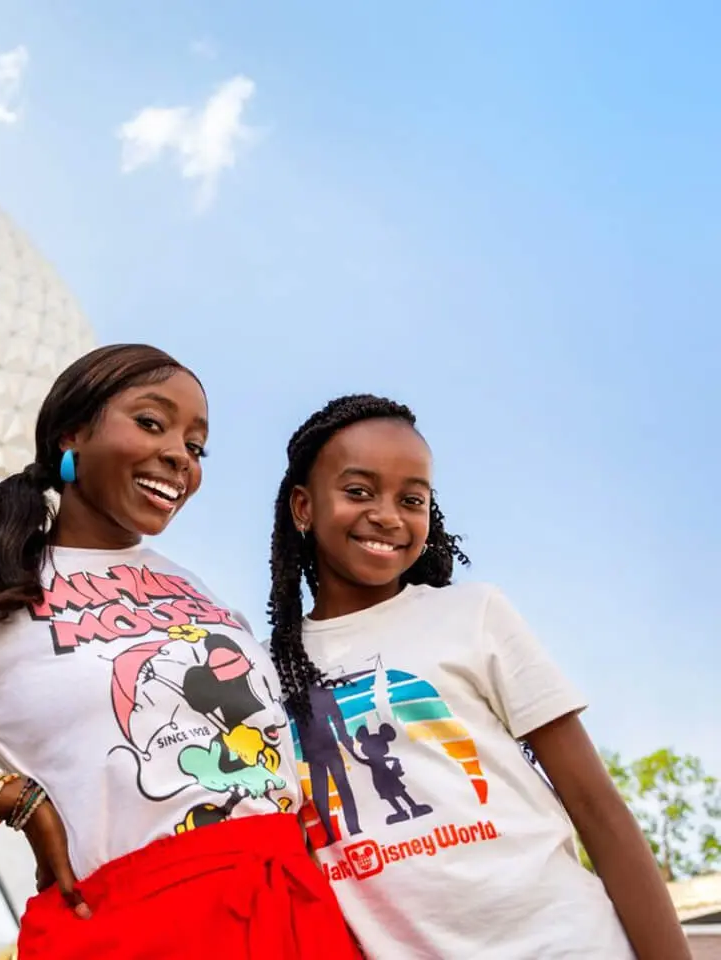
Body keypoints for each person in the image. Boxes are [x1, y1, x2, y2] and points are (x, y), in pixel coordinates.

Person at [0, 345, 358, 958]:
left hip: (292, 909)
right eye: (151, 423)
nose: (180, 455)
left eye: (196, 445)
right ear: (71, 435)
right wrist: (10, 798)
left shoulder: (195, 588)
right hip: (140, 925)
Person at [266, 393, 690, 959]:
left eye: (412, 498)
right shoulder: (261, 673)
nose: (389, 515)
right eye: (359, 491)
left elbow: (595, 804)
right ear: (303, 506)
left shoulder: (473, 614)